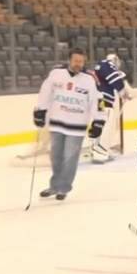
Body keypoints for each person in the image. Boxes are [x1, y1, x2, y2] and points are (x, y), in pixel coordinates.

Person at [33, 48, 105, 201]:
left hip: (76, 126)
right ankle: (54, 186)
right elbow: (45, 92)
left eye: (81, 61)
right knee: (56, 157)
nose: (78, 64)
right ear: (69, 60)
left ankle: (63, 188)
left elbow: (97, 101)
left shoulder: (89, 79)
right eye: (76, 61)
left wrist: (98, 121)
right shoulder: (56, 74)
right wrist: (40, 110)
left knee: (69, 158)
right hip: (57, 123)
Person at [90, 53, 133, 163]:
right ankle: (101, 151)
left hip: (98, 99)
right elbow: (115, 79)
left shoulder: (98, 66)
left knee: (100, 124)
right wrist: (124, 93)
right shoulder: (107, 64)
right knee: (108, 125)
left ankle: (95, 150)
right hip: (104, 99)